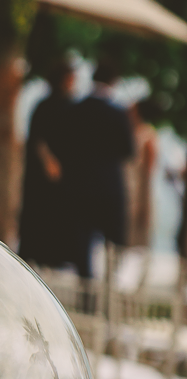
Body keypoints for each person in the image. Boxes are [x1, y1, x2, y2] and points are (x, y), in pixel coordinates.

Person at [63, 55, 135, 280]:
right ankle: (109, 286)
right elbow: (128, 151)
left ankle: (86, 288)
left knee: (82, 239)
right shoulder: (118, 113)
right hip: (109, 185)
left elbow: (66, 146)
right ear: (113, 81)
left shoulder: (76, 109)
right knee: (113, 243)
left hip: (81, 183)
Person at [18, 57, 76, 268]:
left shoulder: (67, 105)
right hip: (43, 175)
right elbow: (37, 139)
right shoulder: (46, 105)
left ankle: (53, 257)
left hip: (59, 176)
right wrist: (48, 161)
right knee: (41, 215)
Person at [125, 96, 160, 249]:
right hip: (124, 188)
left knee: (134, 240)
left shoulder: (148, 135)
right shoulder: (127, 132)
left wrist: (144, 206)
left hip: (137, 193)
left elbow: (148, 173)